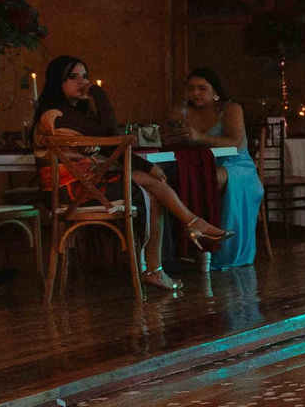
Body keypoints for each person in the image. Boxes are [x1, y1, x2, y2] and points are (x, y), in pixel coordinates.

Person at [34, 56, 230, 291]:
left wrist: (148, 167)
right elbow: (112, 137)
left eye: (85, 76)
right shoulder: (57, 114)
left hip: (87, 185)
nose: (82, 82)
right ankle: (169, 253)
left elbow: (109, 146)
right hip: (71, 191)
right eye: (73, 77)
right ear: (58, 81)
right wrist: (98, 92)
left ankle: (184, 235)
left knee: (151, 184)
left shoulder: (74, 115)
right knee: (151, 191)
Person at [176, 68, 263, 268]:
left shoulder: (230, 109)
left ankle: (216, 247)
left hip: (237, 165)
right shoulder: (183, 112)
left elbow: (236, 143)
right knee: (176, 180)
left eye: (202, 88)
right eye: (191, 88)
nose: (196, 93)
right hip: (199, 164)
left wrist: (199, 137)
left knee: (207, 179)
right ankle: (184, 247)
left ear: (215, 91)